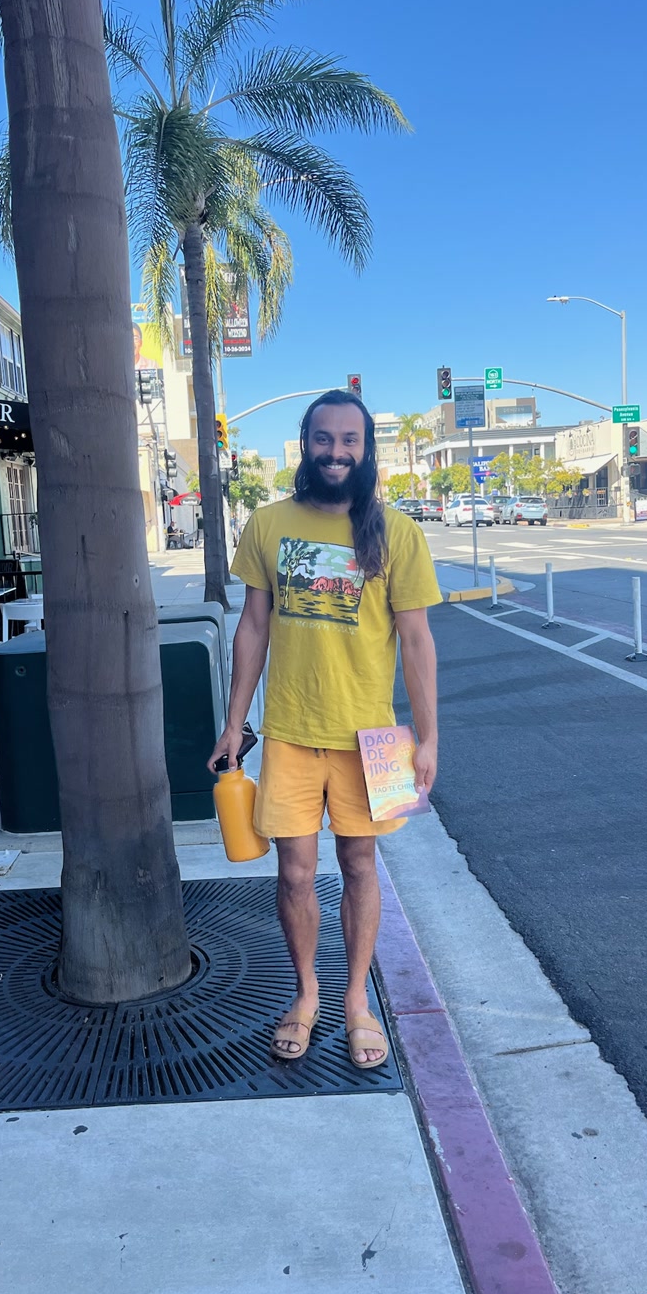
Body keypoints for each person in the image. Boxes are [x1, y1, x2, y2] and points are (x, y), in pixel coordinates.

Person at [208, 389, 441, 1068]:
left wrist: (428, 738)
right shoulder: (268, 523)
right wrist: (234, 724)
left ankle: (357, 1003)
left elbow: (418, 641)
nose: (336, 451)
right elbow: (252, 626)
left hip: (378, 741)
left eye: (349, 440)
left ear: (367, 450)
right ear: (304, 444)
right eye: (323, 439)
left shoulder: (398, 531)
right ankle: (307, 995)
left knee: (364, 865)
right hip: (287, 731)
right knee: (294, 874)